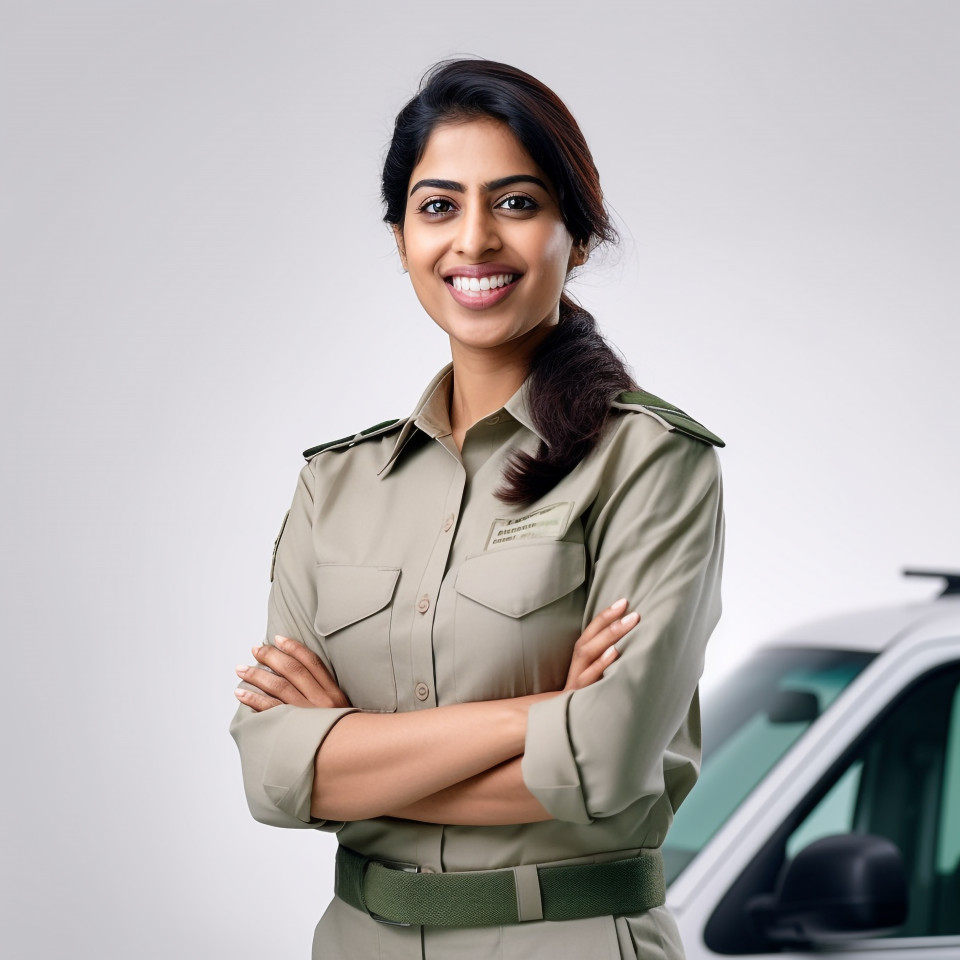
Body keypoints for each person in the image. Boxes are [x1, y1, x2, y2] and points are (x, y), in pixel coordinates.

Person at [230, 58, 724, 959]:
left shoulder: (651, 463)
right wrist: (535, 719)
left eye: (517, 202)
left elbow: (609, 763)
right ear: (400, 236)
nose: (474, 239)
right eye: (438, 205)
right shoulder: (335, 485)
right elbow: (271, 772)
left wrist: (347, 759)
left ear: (575, 232)